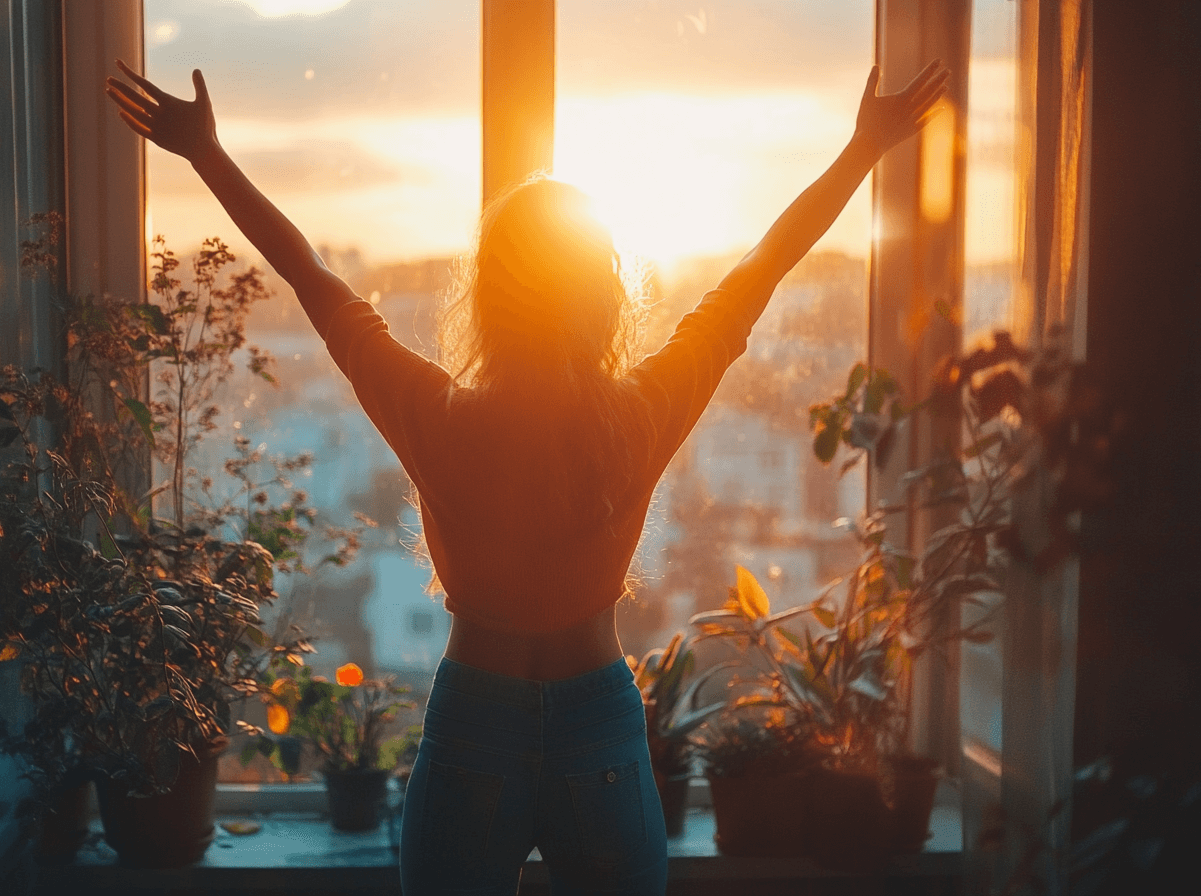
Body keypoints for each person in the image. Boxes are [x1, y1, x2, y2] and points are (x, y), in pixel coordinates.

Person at [106, 56, 948, 895]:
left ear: (489, 299)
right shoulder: (637, 415)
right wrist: (862, 150)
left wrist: (208, 155)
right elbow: (758, 274)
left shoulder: (441, 420)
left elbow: (314, 281)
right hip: (599, 724)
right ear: (603, 296)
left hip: (478, 717)